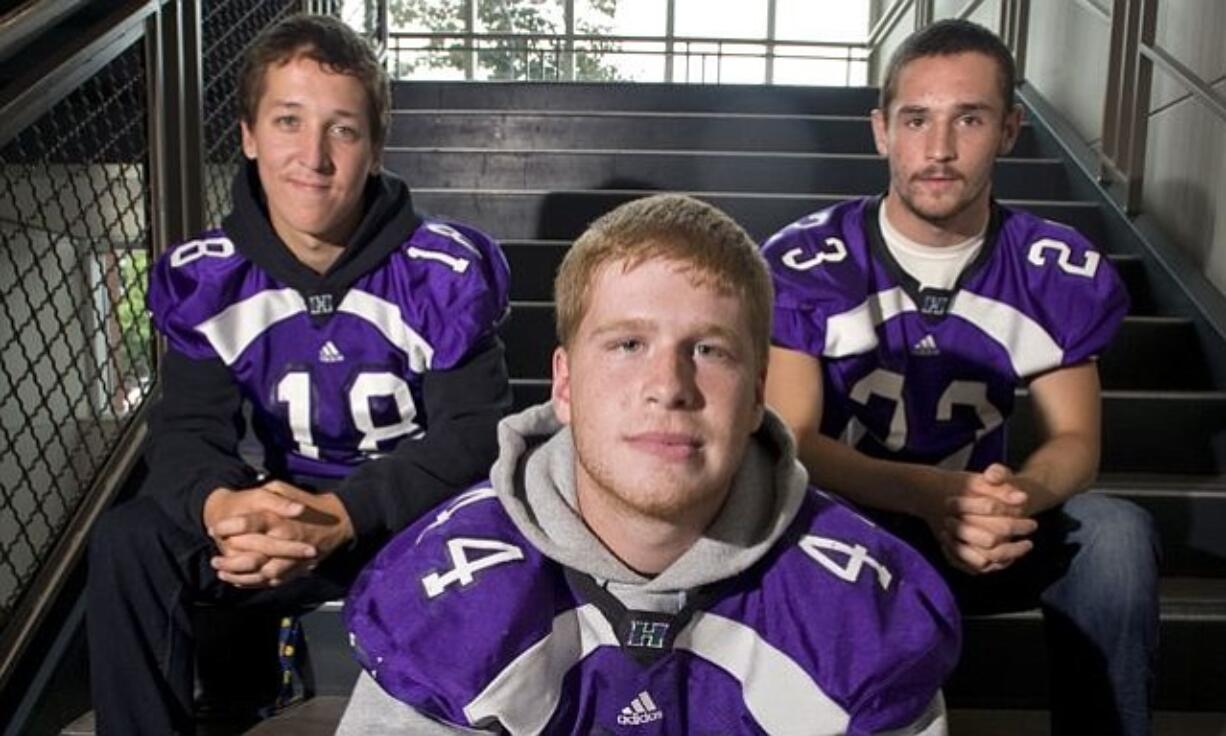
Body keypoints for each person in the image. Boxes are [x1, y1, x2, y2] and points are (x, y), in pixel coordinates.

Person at [334, 194, 960, 735]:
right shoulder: (448, 592)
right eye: (628, 344)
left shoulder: (857, 610)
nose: (669, 385)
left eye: (710, 350)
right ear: (565, 384)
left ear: (756, 395)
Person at [86, 14, 511, 735]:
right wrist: (226, 508)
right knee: (130, 539)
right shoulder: (213, 278)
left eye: (342, 129)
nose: (313, 156)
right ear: (249, 136)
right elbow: (186, 432)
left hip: (408, 521)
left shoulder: (437, 272)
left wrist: (343, 516)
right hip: (282, 513)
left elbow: (474, 437)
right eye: (288, 121)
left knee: (508, 537)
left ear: (374, 148)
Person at [760, 18, 1159, 736]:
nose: (938, 150)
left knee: (1116, 537)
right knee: (764, 518)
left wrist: (1007, 502)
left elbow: (1075, 441)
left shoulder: (1049, 265)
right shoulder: (809, 257)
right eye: (917, 120)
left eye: (968, 119)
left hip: (986, 528)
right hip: (852, 526)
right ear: (882, 131)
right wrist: (929, 495)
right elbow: (793, 440)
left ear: (1008, 129)